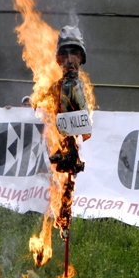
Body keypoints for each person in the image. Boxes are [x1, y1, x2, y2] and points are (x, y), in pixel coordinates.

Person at [48, 25, 89, 174]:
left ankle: (76, 158)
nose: (69, 61)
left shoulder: (83, 90)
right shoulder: (53, 89)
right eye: (64, 55)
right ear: (59, 59)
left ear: (81, 57)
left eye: (74, 54)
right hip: (60, 145)